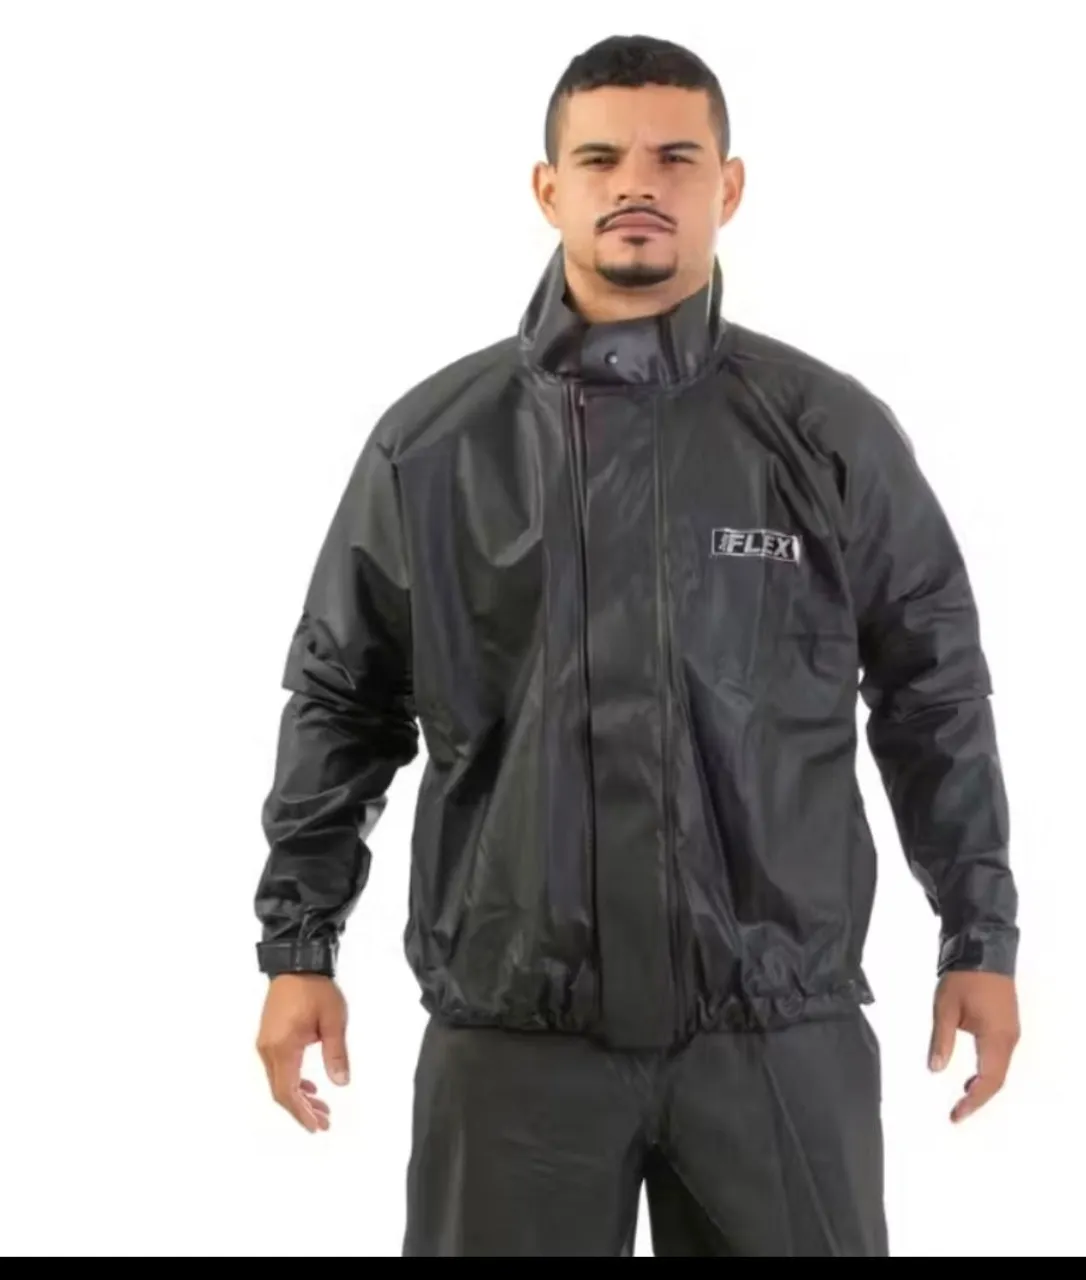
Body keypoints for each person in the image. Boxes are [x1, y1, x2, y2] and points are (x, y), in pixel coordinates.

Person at [252, 33, 1021, 1257]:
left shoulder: (827, 434)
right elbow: (342, 697)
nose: (637, 184)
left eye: (676, 157)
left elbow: (934, 688)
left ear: (730, 186)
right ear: (548, 187)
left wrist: (978, 932)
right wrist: (299, 944)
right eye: (601, 158)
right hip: (515, 1033)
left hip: (775, 1029)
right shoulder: (434, 445)